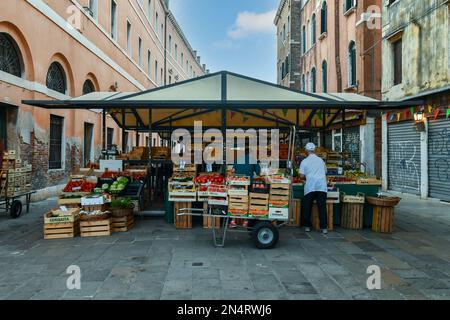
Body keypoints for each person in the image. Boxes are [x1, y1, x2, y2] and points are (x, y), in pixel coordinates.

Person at [299, 143, 328, 234]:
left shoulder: (304, 161)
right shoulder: (321, 161)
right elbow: (325, 172)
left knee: (307, 207)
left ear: (306, 151)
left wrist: (304, 178)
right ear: (314, 150)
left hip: (310, 186)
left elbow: (301, 175)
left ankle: (307, 226)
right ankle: (324, 228)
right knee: (322, 207)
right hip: (321, 186)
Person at [230, 145, 261, 228]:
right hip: (248, 184)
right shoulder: (253, 159)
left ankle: (233, 221)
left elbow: (232, 171)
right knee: (246, 201)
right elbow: (258, 172)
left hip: (237, 183)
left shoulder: (238, 159)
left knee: (236, 200)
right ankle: (245, 221)